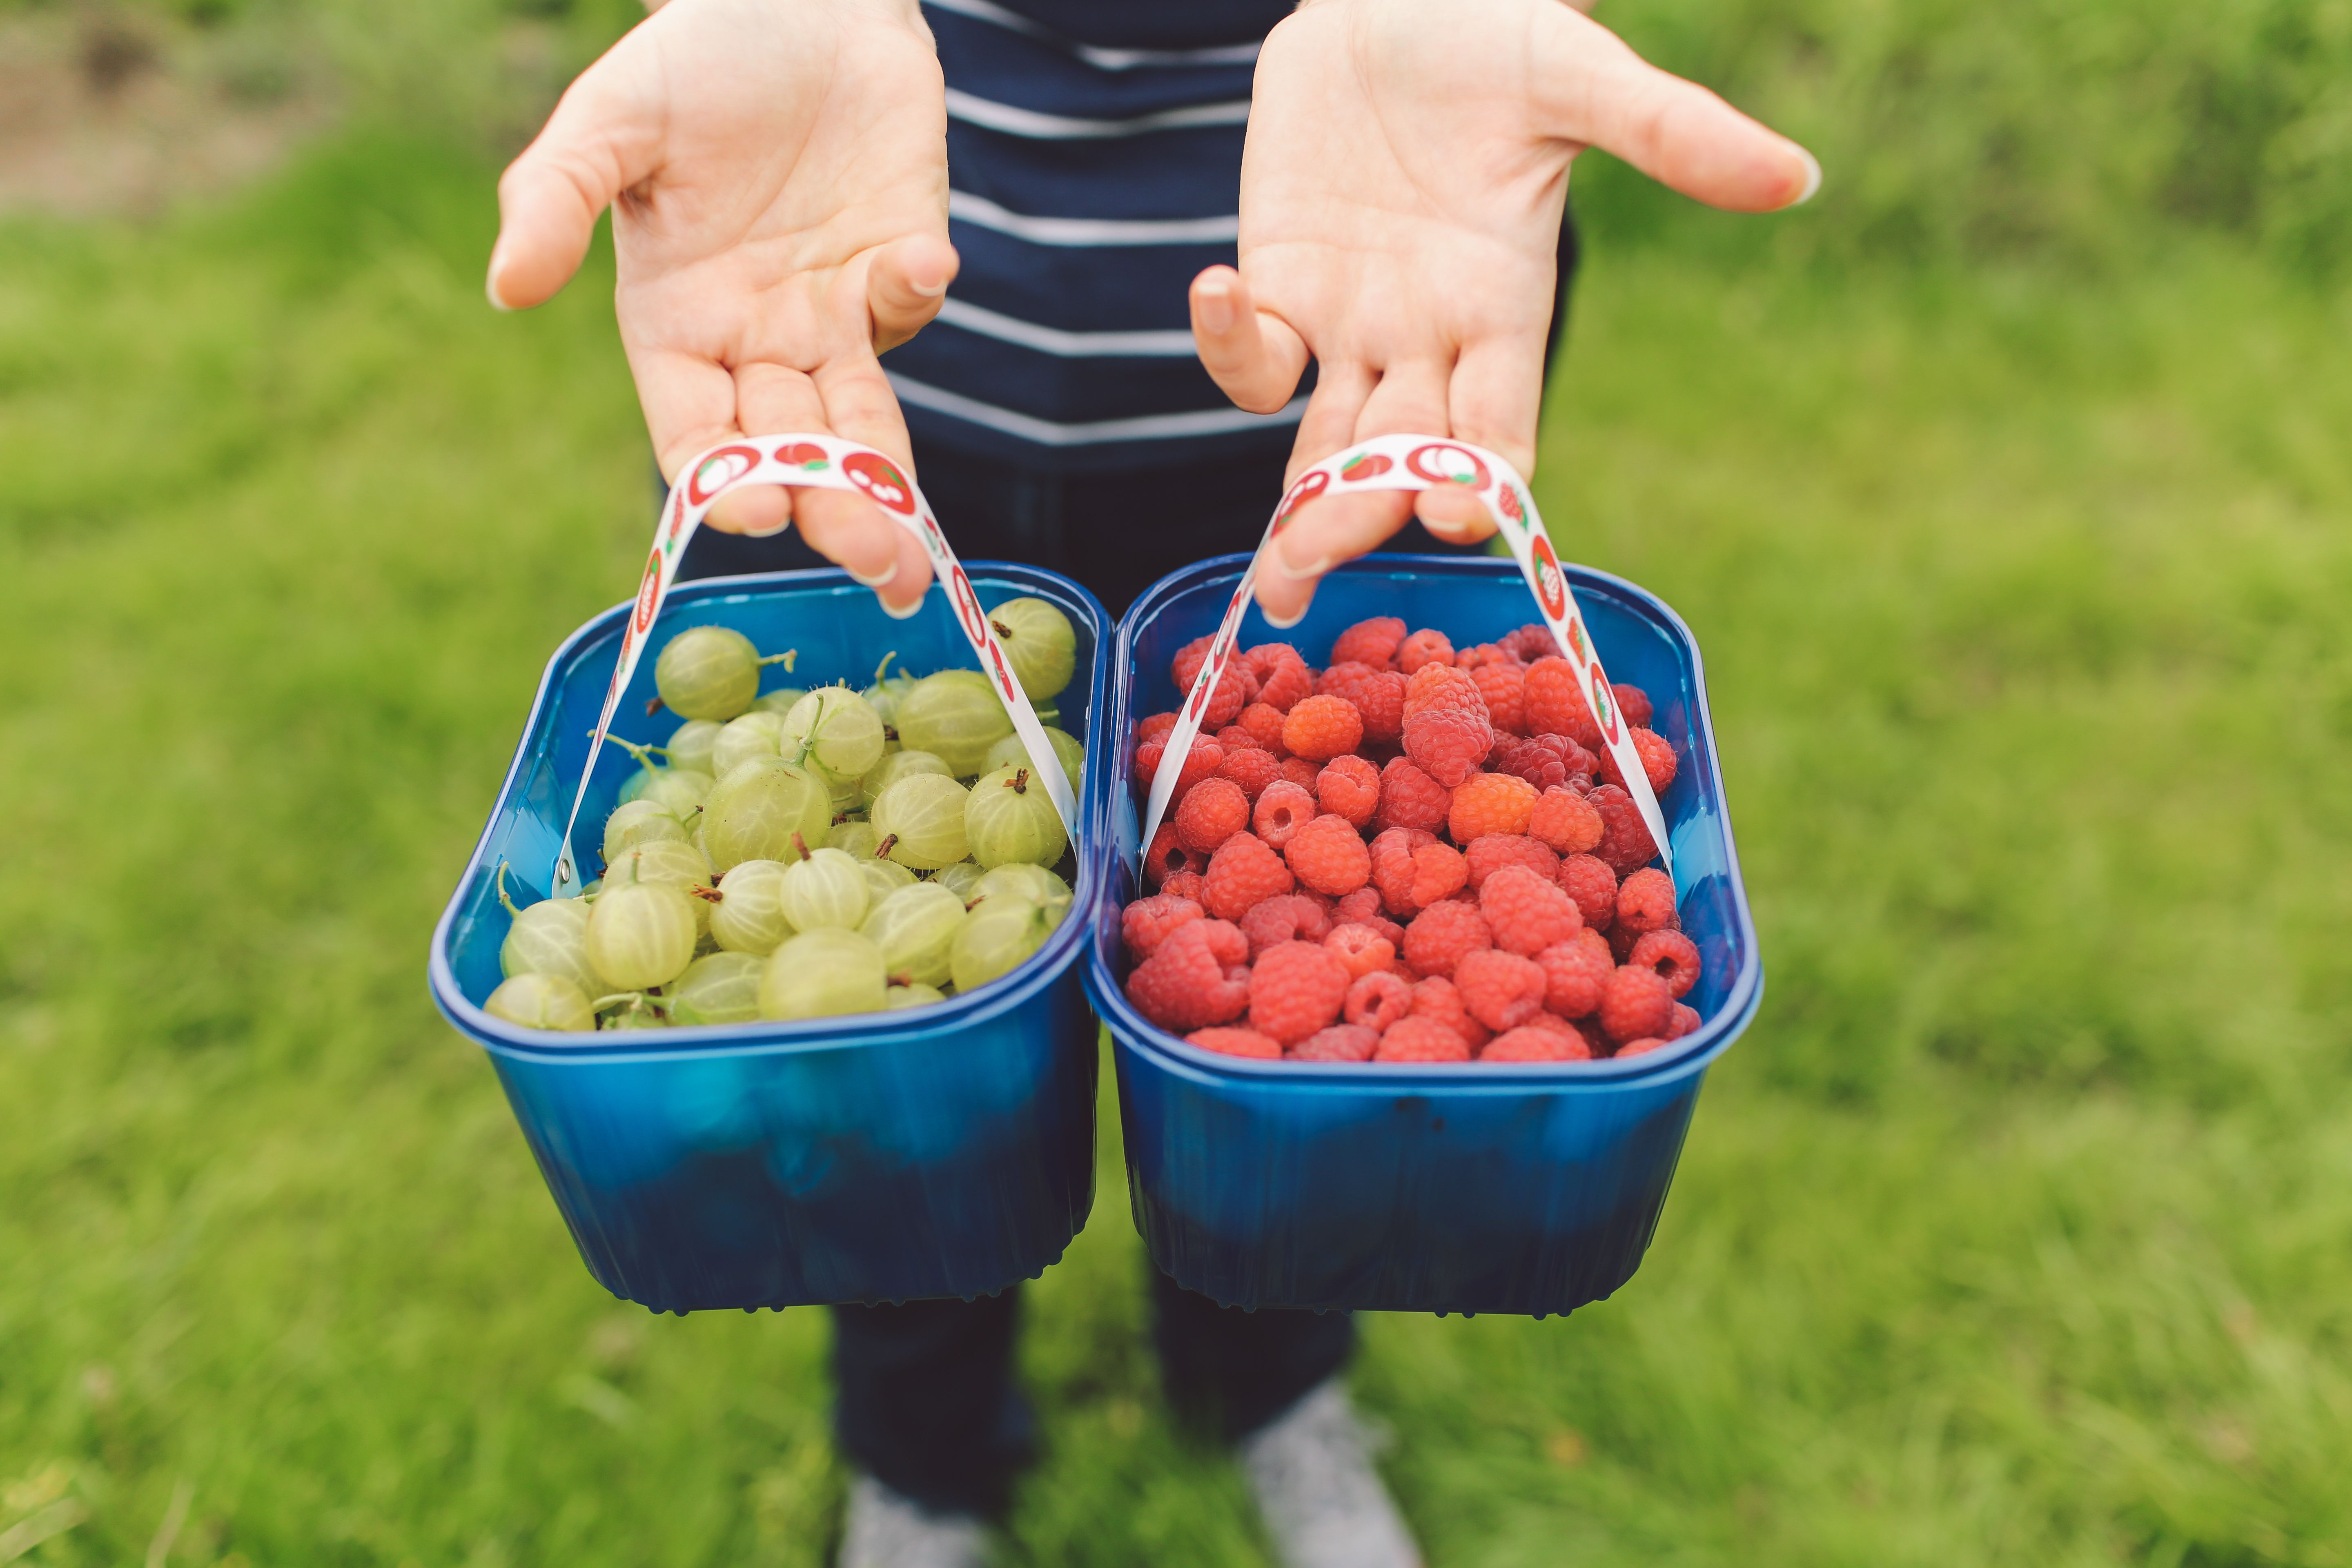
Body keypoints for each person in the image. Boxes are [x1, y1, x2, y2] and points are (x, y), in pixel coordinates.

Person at [487, 1, 1814, 1561]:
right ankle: (921, 1455)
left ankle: (1275, 1385)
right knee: (897, 1024)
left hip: (1351, 289)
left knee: (1285, 1044)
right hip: (832, 317)